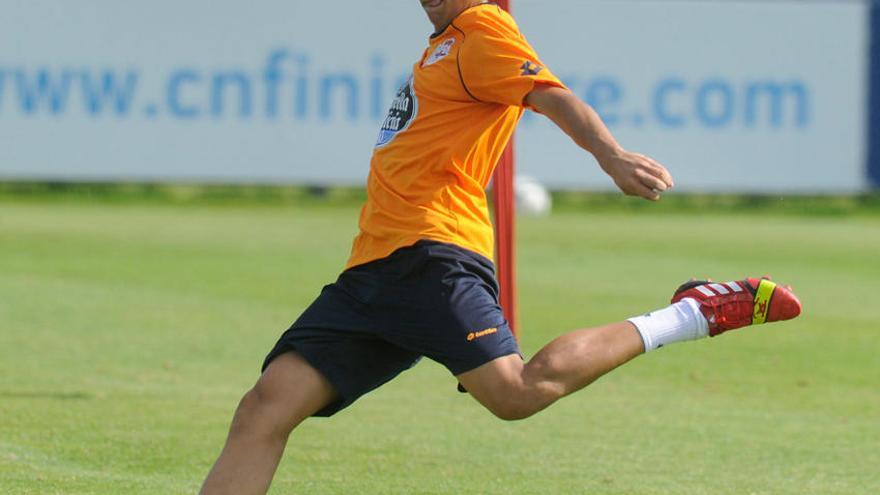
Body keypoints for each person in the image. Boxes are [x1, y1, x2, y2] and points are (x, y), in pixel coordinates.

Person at [199, 1, 802, 493]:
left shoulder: (484, 28)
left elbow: (553, 96)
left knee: (516, 393)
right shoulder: (443, 43)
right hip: (372, 272)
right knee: (264, 407)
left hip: (433, 257)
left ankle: (692, 312)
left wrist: (611, 155)